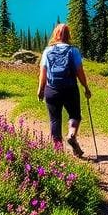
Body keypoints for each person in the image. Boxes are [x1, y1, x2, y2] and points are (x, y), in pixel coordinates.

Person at [37, 23, 91, 156]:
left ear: (55, 34)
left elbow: (43, 73)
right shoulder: (73, 51)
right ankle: (72, 135)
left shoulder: (47, 51)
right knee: (75, 115)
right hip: (70, 89)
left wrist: (41, 90)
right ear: (68, 35)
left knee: (55, 120)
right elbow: (80, 72)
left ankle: (58, 153)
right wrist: (86, 87)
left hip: (52, 90)